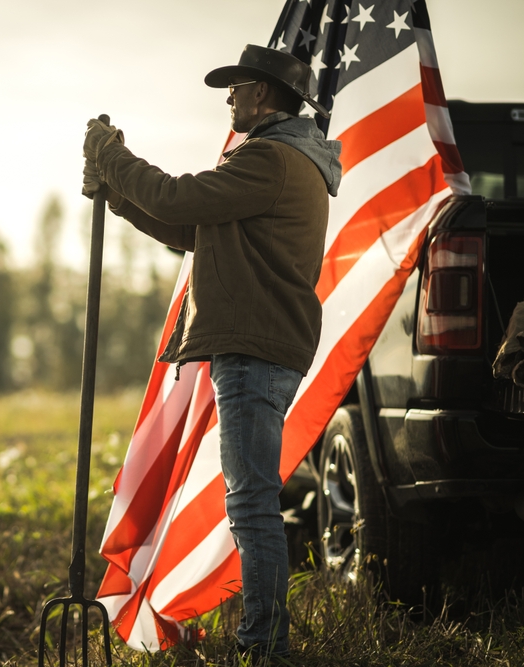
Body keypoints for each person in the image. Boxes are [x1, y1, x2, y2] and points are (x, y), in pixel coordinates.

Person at [82, 45, 341, 659]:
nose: (228, 99)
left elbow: (178, 199)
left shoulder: (271, 159)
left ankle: (264, 645)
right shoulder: (279, 160)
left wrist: (112, 156)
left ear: (263, 94)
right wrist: (117, 193)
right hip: (259, 347)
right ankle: (264, 638)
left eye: (236, 87)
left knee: (251, 503)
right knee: (251, 499)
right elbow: (189, 228)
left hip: (255, 348)